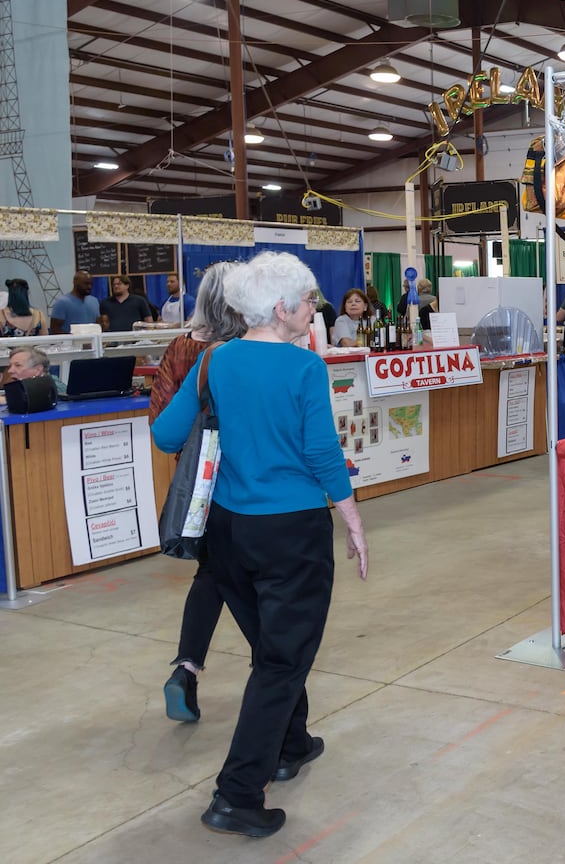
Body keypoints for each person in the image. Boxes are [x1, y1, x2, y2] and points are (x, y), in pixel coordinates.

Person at [152, 251, 368, 838]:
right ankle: (237, 793)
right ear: (281, 309)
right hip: (290, 534)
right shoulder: (303, 369)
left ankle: (290, 744)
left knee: (274, 647)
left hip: (225, 534)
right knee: (280, 661)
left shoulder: (214, 361)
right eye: (306, 302)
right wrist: (350, 515)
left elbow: (166, 432)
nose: (312, 310)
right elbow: (322, 451)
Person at [147, 262, 247, 724]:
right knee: (245, 578)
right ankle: (276, 676)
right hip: (246, 482)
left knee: (212, 572)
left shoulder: (183, 348)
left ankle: (186, 669)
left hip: (197, 481)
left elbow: (163, 422)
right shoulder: (253, 350)